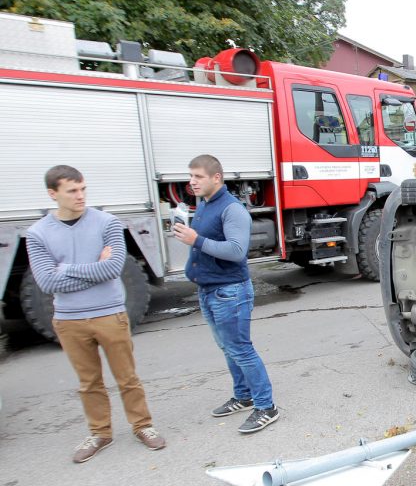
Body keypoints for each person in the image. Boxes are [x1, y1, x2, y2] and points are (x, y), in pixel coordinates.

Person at [26, 165, 166, 462]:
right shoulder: (38, 233)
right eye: (72, 191)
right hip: (69, 319)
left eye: (83, 189)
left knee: (127, 377)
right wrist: (93, 269)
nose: (80, 196)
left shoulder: (107, 223)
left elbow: (113, 268)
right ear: (53, 194)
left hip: (110, 314)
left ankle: (143, 426)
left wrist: (65, 268)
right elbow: (47, 282)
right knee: (89, 382)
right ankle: (100, 433)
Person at [172, 155, 279, 433]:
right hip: (209, 290)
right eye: (191, 176)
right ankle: (243, 396)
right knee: (228, 348)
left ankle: (266, 407)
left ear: (216, 177)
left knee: (241, 349)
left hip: (229, 292)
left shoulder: (232, 209)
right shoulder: (205, 204)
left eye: (198, 176)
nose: (192, 182)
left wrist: (196, 240)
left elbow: (236, 251)